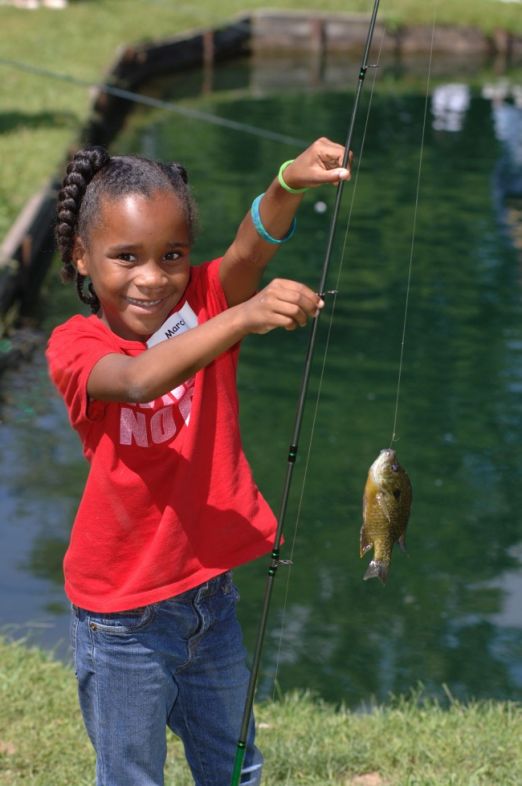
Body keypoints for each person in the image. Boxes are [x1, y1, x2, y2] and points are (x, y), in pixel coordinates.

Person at [46, 137, 351, 786]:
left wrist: (288, 184)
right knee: (132, 777)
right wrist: (240, 318)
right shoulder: (75, 346)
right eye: (126, 257)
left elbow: (250, 248)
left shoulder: (204, 304)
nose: (153, 277)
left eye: (173, 255)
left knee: (236, 769)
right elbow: (135, 382)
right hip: (122, 618)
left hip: (209, 601)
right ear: (80, 257)